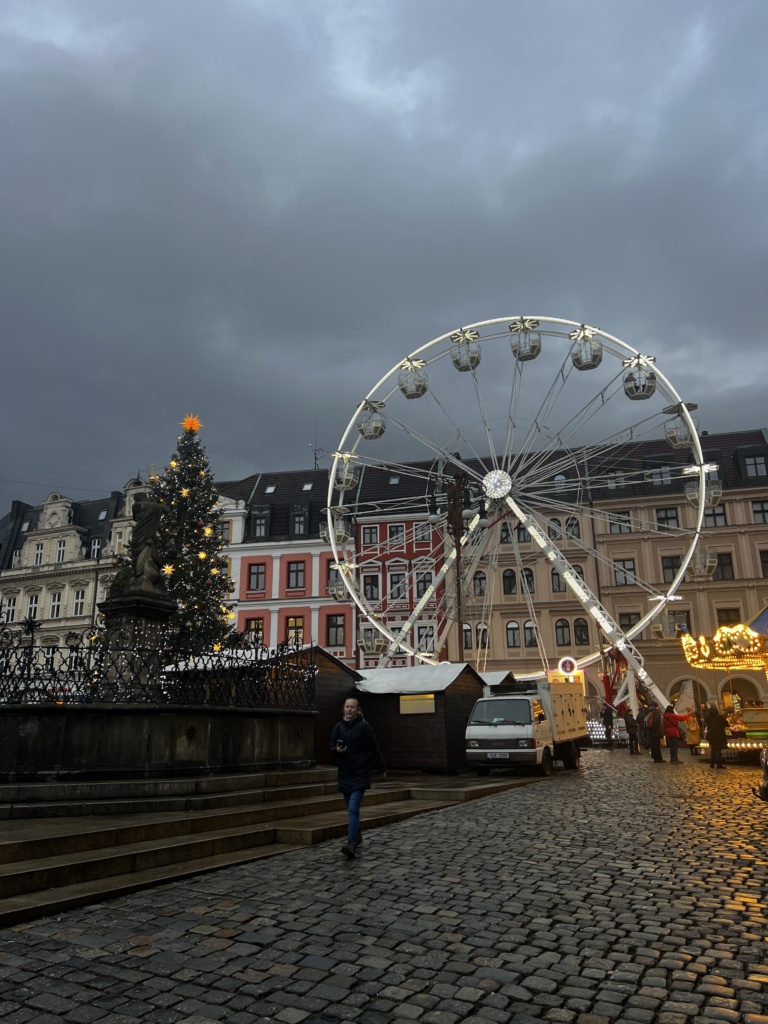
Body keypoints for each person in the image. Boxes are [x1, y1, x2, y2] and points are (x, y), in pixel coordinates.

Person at [330, 697, 386, 860]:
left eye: (352, 707)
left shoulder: (363, 726)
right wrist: (337, 750)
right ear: (343, 709)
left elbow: (373, 747)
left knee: (353, 809)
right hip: (345, 772)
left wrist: (381, 767)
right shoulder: (338, 727)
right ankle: (357, 836)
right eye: (347, 707)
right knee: (350, 809)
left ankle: (351, 843)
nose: (349, 709)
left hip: (360, 771)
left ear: (357, 709)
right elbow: (331, 746)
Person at [705, 704, 729, 769]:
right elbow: (726, 724)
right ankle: (719, 764)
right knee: (718, 750)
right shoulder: (720, 717)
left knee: (713, 749)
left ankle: (712, 764)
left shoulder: (708, 717)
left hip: (711, 735)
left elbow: (706, 724)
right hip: (719, 735)